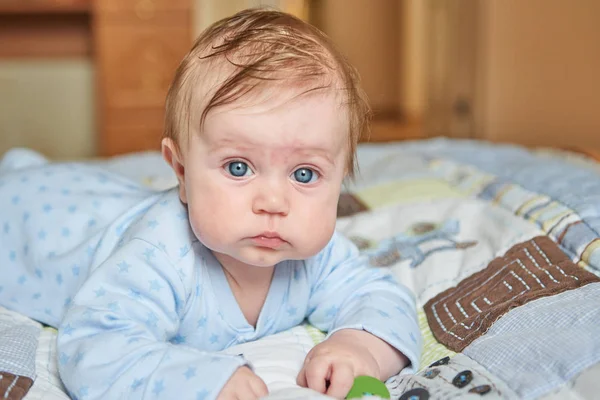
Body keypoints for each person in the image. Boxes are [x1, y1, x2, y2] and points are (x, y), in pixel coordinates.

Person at [0, 7, 421, 400]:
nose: (273, 202)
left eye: (304, 174)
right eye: (238, 167)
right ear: (180, 171)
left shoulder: (316, 257)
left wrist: (360, 346)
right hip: (25, 212)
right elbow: (92, 347)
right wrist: (200, 381)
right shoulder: (159, 256)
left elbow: (380, 295)